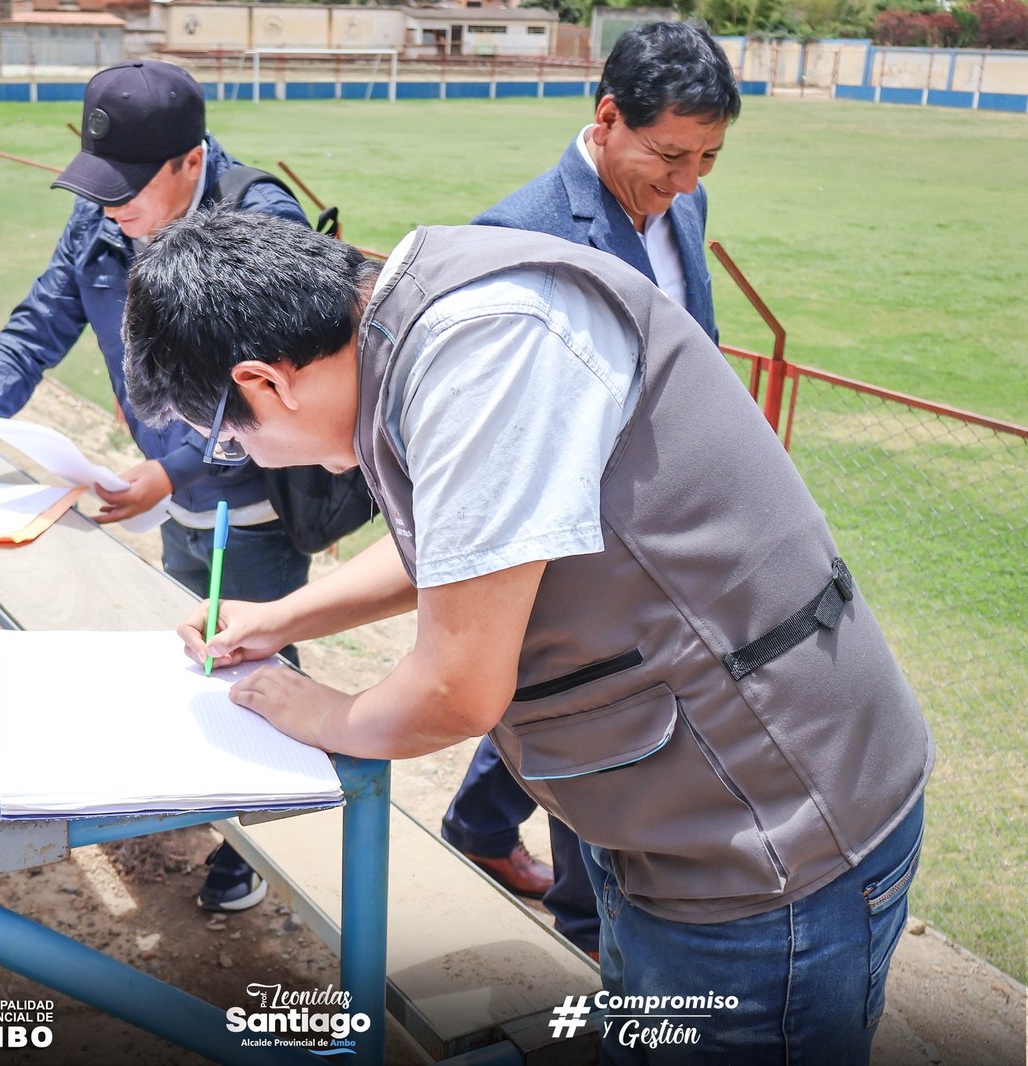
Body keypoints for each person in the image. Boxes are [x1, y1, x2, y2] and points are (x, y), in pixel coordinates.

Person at [121, 207, 933, 1064]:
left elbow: (455, 689)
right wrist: (285, 617)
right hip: (682, 820)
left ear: (267, 383)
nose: (248, 455)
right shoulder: (407, 330)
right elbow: (481, 549)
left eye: (230, 437)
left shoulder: (481, 355)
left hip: (769, 843)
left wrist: (315, 711)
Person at [0, 61, 307, 914]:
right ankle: (207, 796)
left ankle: (263, 840)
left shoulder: (260, 221)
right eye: (98, 183)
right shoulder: (106, 211)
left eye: (128, 186)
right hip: (168, 482)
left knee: (252, 650)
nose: (111, 205)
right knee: (193, 637)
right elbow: (40, 322)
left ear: (190, 162)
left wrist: (172, 470)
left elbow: (276, 386)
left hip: (257, 495)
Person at [442, 19, 742, 955]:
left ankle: (482, 828)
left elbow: (696, 349)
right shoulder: (514, 234)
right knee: (596, 717)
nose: (688, 180)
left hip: (665, 526)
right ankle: (582, 935)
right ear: (607, 116)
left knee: (581, 709)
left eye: (709, 157)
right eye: (671, 155)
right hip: (568, 536)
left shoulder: (681, 206)